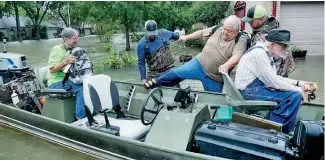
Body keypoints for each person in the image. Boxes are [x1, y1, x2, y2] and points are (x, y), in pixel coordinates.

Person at [234, 29, 317, 133]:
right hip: (248, 91)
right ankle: (273, 132)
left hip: (252, 89)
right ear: (273, 44)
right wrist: (299, 90)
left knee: (293, 94)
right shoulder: (259, 54)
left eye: (286, 46)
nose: (286, 49)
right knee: (293, 96)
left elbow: (275, 79)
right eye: (283, 46)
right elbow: (273, 82)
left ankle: (281, 127)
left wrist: (299, 83)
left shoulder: (264, 53)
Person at [145, 15, 247, 92]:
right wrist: (186, 37)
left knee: (214, 103)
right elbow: (201, 33)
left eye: (229, 31)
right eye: (224, 29)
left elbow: (237, 56)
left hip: (215, 78)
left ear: (236, 31)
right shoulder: (218, 29)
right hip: (199, 64)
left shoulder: (240, 40)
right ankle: (155, 81)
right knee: (176, 73)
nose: (224, 32)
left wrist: (227, 65)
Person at [47, 28, 126, 120]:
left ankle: (117, 112)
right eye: (74, 39)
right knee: (82, 89)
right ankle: (80, 118)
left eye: (77, 38)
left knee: (96, 83)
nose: (76, 41)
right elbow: (52, 69)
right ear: (65, 39)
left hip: (71, 79)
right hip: (57, 82)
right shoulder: (57, 49)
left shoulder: (74, 49)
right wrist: (65, 62)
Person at [242, 5, 294, 77]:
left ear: (261, 19)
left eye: (251, 21)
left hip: (273, 76)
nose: (249, 23)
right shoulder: (271, 28)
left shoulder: (264, 36)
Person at [137, 20, 180, 86]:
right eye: (150, 34)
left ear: (156, 30)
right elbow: (141, 63)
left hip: (169, 71)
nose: (152, 36)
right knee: (151, 92)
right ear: (145, 30)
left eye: (154, 33)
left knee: (177, 93)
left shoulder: (164, 33)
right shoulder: (141, 44)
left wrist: (181, 38)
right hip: (154, 75)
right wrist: (143, 79)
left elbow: (176, 36)